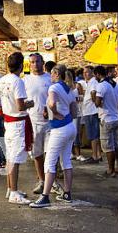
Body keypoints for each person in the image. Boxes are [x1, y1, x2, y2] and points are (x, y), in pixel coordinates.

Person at [0, 52, 34, 205]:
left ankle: (11, 188)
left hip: (9, 121)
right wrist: (30, 104)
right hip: (18, 123)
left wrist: (1, 111)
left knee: (11, 157)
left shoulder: (3, 80)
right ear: (21, 65)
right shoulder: (17, 82)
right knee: (14, 158)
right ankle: (13, 192)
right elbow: (20, 105)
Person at [30, 64, 78, 208]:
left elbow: (51, 103)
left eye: (51, 73)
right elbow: (74, 111)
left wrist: (55, 114)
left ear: (56, 74)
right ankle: (67, 193)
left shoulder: (53, 88)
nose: (50, 76)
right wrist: (62, 113)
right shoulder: (70, 88)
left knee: (49, 162)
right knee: (66, 161)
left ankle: (45, 197)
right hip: (70, 127)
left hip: (59, 129)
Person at [23, 53, 52, 195]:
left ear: (43, 62)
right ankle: (42, 181)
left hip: (50, 122)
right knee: (37, 154)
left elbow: (56, 97)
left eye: (37, 61)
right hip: (33, 121)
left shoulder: (50, 78)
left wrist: (49, 108)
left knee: (51, 153)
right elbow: (21, 101)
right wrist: (28, 104)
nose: (35, 64)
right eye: (32, 62)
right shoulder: (26, 80)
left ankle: (50, 180)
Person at [95, 66, 118, 176]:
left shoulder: (101, 86)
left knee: (108, 147)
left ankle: (110, 170)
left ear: (98, 74)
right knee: (116, 145)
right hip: (116, 118)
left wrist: (94, 98)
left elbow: (98, 103)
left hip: (106, 119)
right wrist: (116, 108)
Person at [82, 65, 102, 163]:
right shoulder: (90, 82)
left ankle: (94, 155)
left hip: (91, 111)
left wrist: (94, 102)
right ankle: (98, 154)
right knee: (95, 134)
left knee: (93, 135)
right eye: (84, 72)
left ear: (92, 73)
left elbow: (93, 93)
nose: (84, 74)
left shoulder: (93, 81)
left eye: (87, 72)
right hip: (90, 111)